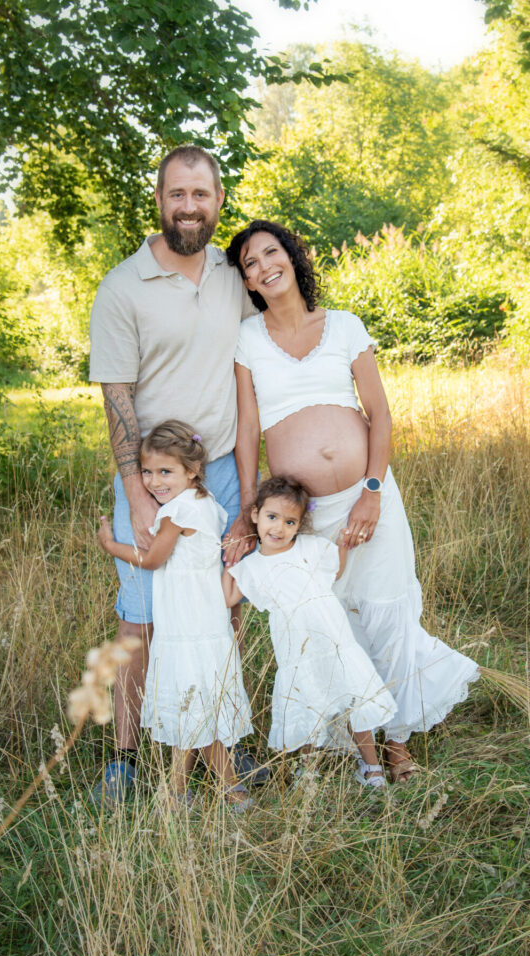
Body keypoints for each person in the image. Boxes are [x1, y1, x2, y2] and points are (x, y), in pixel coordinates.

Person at [225, 220, 479, 782]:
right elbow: (248, 434)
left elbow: (380, 414)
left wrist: (371, 490)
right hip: (305, 516)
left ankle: (396, 742)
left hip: (370, 496)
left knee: (389, 613)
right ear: (246, 280)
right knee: (335, 624)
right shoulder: (248, 339)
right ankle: (352, 738)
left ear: (291, 258)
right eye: (250, 262)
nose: (265, 265)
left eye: (272, 252)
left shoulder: (342, 326)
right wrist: (249, 511)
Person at [89, 145, 266, 806]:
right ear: (159, 201)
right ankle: (127, 756)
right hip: (153, 479)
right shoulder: (123, 286)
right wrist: (137, 492)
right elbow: (117, 396)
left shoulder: (233, 276)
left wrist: (248, 499)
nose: (190, 206)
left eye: (202, 194)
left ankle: (220, 737)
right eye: (178, 194)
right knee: (141, 623)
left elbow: (251, 387)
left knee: (225, 610)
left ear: (219, 201)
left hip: (219, 472)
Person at [98, 421, 253, 809]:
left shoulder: (177, 513)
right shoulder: (207, 504)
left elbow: (151, 559)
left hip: (187, 626)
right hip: (206, 621)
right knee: (195, 705)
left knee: (196, 710)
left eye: (165, 472)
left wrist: (110, 544)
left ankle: (233, 792)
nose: (153, 482)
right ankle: (176, 791)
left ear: (192, 471)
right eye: (147, 472)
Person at [222, 477, 398, 788]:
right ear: (255, 515)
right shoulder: (253, 567)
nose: (278, 528)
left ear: (300, 525)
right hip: (296, 650)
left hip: (335, 641)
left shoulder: (310, 547)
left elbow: (335, 571)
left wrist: (343, 546)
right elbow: (229, 598)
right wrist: (231, 558)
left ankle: (370, 764)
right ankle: (309, 766)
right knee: (307, 704)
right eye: (271, 517)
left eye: (290, 522)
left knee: (353, 699)